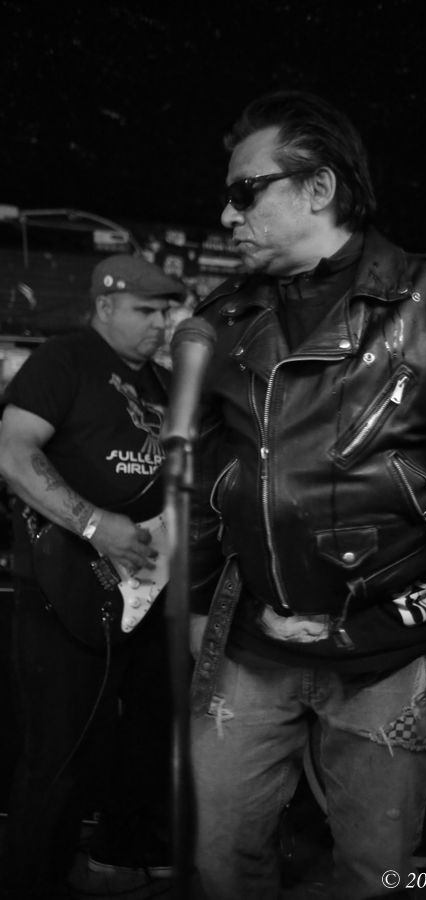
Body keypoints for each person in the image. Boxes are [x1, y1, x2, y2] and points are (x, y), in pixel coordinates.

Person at [178, 90, 426, 900]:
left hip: (391, 652)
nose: (226, 215)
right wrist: (196, 606)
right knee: (218, 857)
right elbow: (198, 481)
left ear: (318, 188)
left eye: (244, 192)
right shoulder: (223, 317)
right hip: (250, 647)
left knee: (375, 873)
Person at [0, 254, 186, 900]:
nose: (160, 323)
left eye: (166, 310)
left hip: (149, 588)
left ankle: (118, 856)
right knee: (58, 751)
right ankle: (29, 882)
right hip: (66, 588)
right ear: (105, 305)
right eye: (145, 310)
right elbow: (13, 454)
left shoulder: (165, 384)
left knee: (145, 738)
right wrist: (93, 524)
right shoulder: (64, 360)